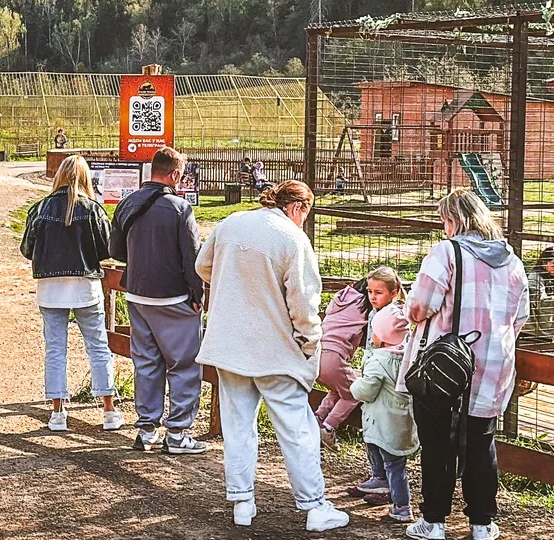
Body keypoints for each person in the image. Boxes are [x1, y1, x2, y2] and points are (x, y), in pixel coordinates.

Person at [195, 180, 350, 532]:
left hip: (229, 343)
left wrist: (233, 285)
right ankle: (314, 506)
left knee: (237, 424)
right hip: (274, 349)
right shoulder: (293, 238)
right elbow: (304, 304)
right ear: (299, 208)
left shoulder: (231, 222)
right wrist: (310, 344)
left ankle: (242, 500)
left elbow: (203, 266)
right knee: (296, 427)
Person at [398, 188, 529, 540]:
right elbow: (521, 317)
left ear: (455, 221)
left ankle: (434, 522)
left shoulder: (447, 252)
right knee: (481, 442)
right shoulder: (512, 260)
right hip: (492, 364)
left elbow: (420, 306)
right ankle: (482, 524)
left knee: (437, 442)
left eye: (445, 221)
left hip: (446, 365)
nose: (444, 228)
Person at [109, 146, 205, 455]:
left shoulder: (127, 203)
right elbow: (193, 259)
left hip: (137, 295)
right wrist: (197, 294)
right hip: (173, 297)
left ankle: (146, 429)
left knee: (147, 362)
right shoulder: (180, 209)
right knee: (183, 365)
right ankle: (177, 433)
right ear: (176, 174)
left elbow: (116, 251)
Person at [20, 155, 123, 433]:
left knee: (55, 349)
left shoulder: (39, 209)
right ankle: (109, 411)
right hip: (85, 287)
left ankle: (57, 414)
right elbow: (107, 249)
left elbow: (27, 250)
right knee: (98, 346)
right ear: (86, 178)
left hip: (50, 289)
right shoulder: (92, 209)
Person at [315, 266, 405, 451]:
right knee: (353, 395)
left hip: (316, 356)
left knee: (338, 389)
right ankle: (328, 428)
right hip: (333, 358)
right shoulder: (366, 308)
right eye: (371, 292)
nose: (373, 297)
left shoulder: (342, 297)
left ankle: (316, 419)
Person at [349, 302, 418, 523]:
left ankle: (402, 507)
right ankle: (379, 480)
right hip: (402, 422)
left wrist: (353, 385)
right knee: (384, 454)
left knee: (394, 466)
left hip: (382, 423)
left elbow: (367, 390)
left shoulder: (379, 361)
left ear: (382, 336)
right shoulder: (409, 356)